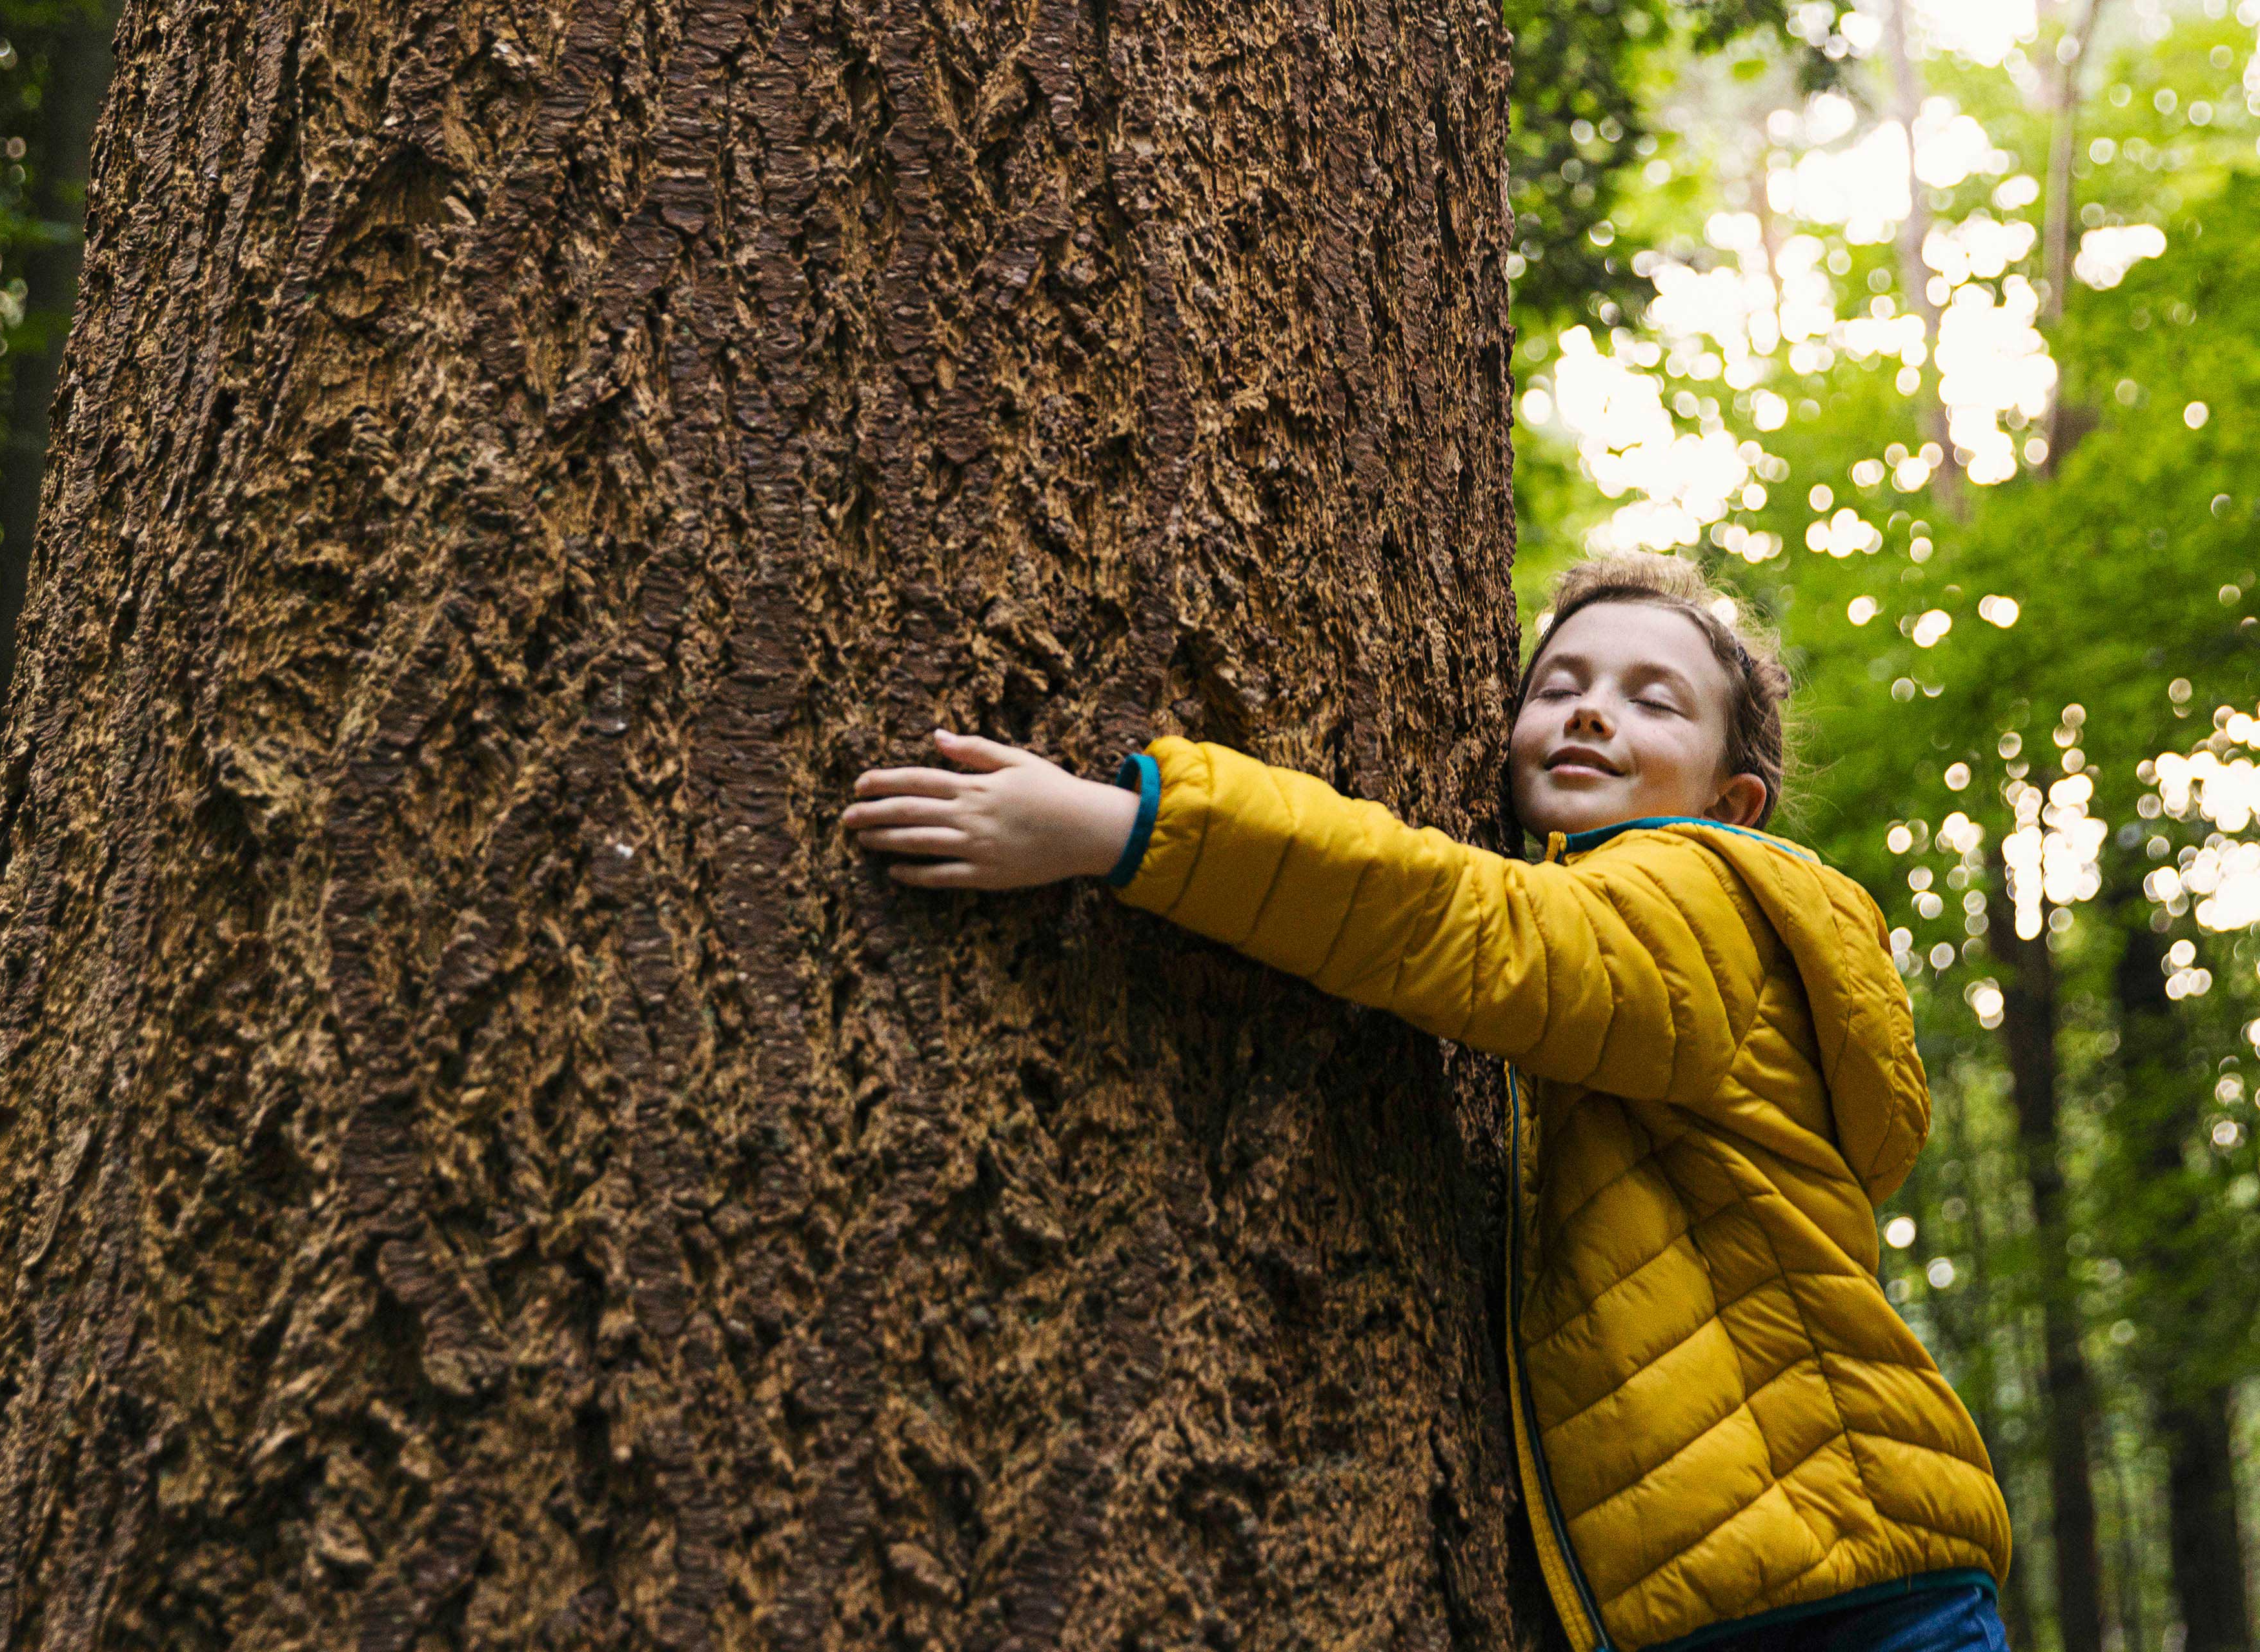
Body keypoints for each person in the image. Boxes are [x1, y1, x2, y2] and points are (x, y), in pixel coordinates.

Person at [838, 550, 2013, 1651]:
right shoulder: (1644, 955)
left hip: (1838, 1584)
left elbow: (1466, 927)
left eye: (1657, 702)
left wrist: (1124, 826)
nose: (1595, 710)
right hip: (1780, 1575)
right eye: (1560, 685)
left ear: (1734, 800)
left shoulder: (1710, 894)